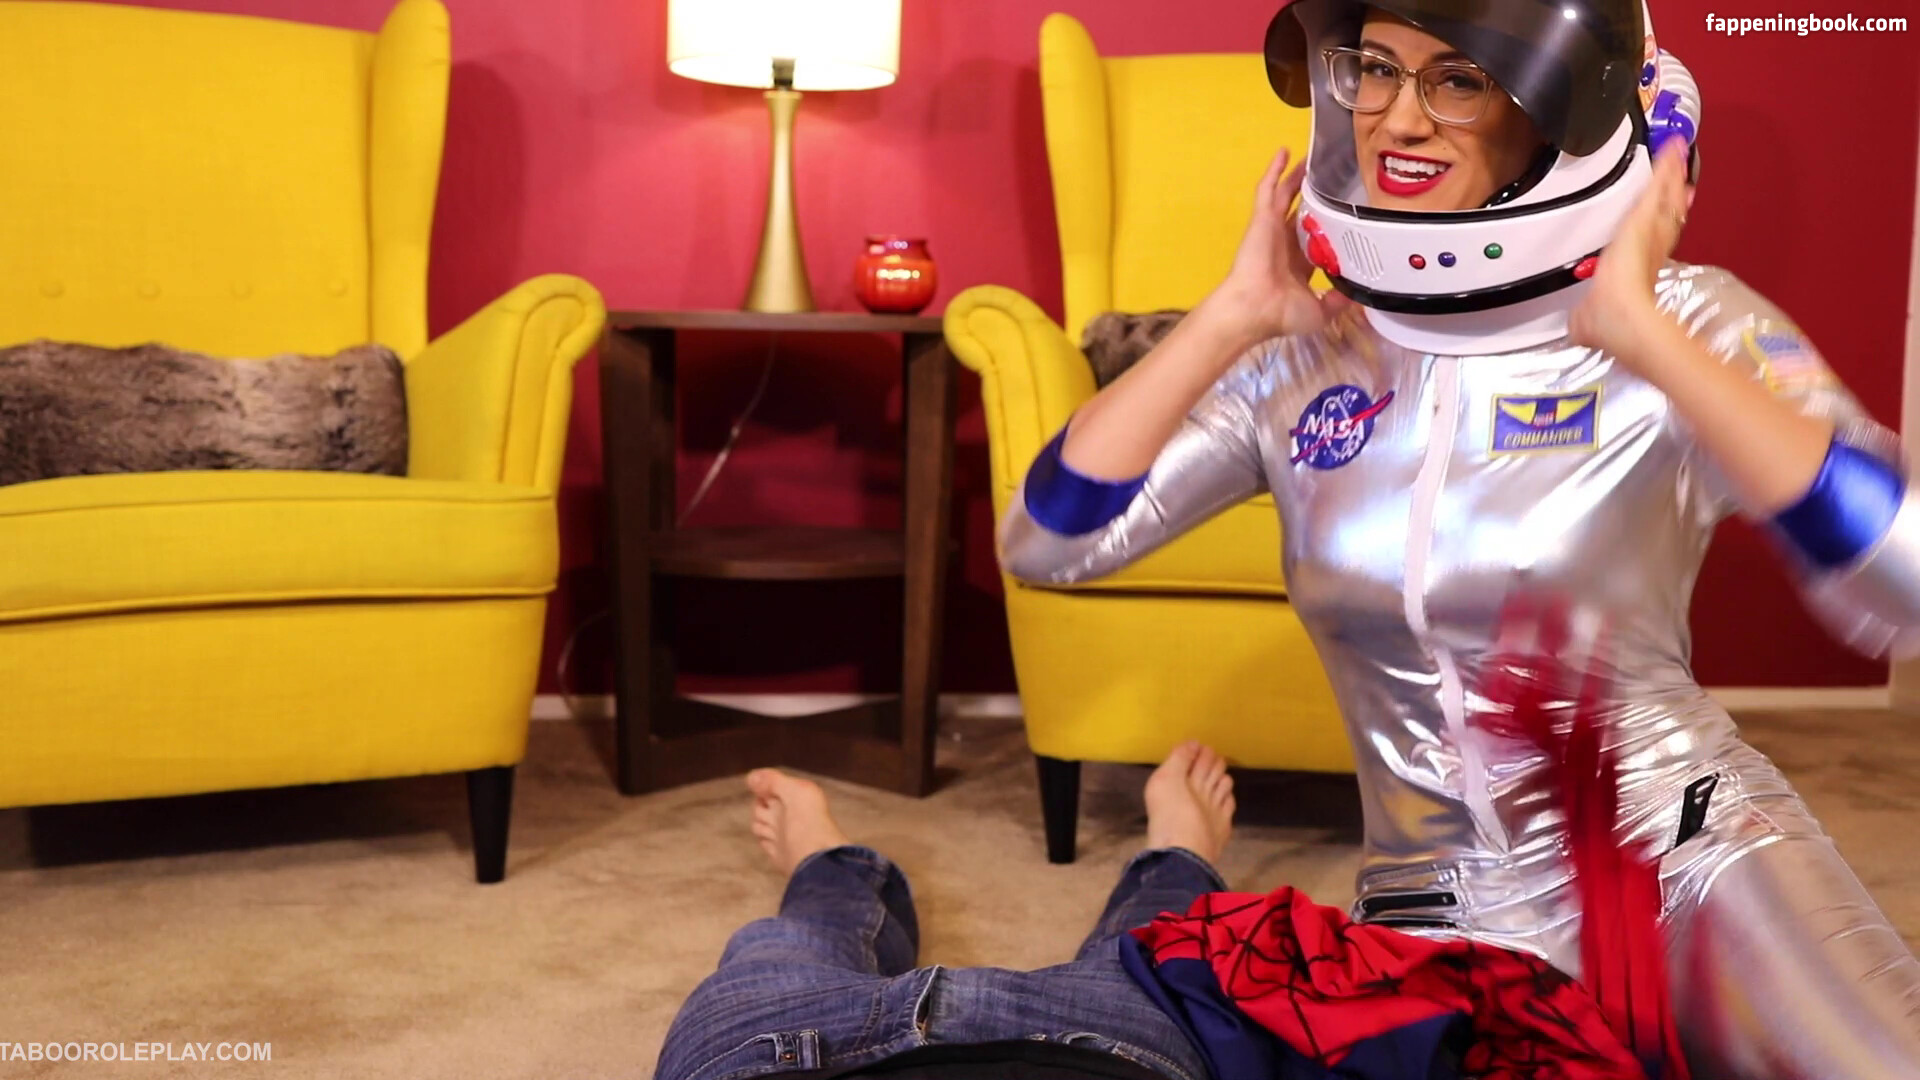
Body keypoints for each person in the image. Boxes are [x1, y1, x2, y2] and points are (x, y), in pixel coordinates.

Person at [1001, 0, 1920, 1077]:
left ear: (1562, 113)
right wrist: (1231, 317)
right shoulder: (1303, 357)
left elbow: (1907, 584)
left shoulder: (1692, 323)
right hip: (1429, 916)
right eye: (1374, 68)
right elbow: (1046, 543)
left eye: (1458, 80)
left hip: (1689, 858)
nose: (1397, 119)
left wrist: (1648, 342)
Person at [653, 744, 1244, 1080]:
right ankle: (1179, 852)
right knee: (1156, 957)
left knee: (792, 943)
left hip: (774, 1054)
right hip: (1105, 1057)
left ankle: (827, 863)